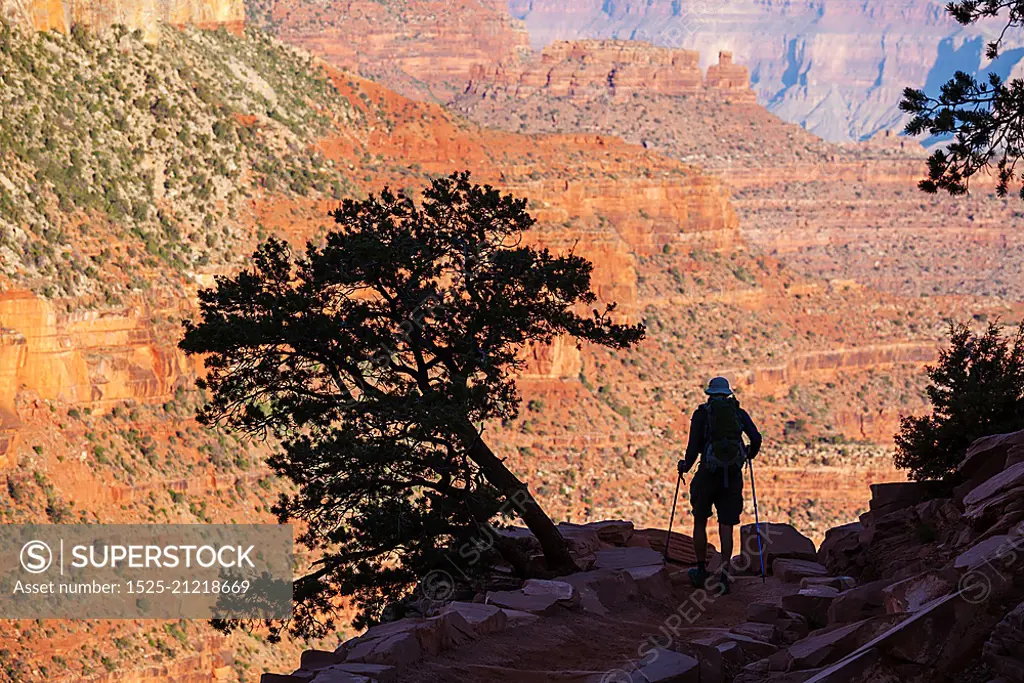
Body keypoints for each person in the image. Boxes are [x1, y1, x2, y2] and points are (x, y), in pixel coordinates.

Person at [677, 376, 762, 594]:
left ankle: (700, 569)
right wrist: (748, 455)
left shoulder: (701, 415)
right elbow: (756, 437)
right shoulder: (738, 413)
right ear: (728, 394)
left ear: (710, 394)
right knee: (727, 524)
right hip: (731, 475)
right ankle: (724, 574)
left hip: (707, 474)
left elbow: (694, 446)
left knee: (700, 520)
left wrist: (685, 466)